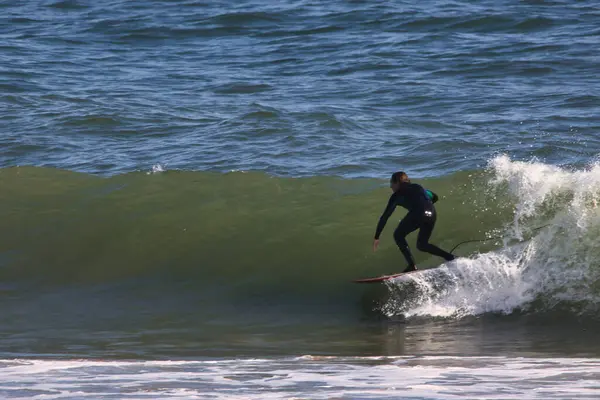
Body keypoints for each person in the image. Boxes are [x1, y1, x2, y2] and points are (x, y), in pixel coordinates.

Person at [373, 171, 455, 273]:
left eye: (391, 184)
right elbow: (435, 196)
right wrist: (426, 206)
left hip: (418, 213)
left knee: (398, 235)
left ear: (397, 182)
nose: (391, 187)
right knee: (422, 245)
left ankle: (412, 266)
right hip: (432, 214)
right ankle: (450, 257)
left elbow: (385, 217)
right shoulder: (418, 187)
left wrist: (377, 236)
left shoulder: (396, 195)